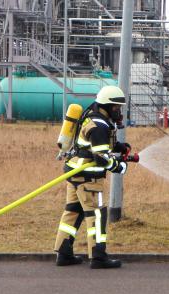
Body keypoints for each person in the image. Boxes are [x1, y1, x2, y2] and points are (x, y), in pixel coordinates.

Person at [52, 86, 133, 269]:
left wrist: (119, 147)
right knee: (96, 214)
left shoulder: (94, 118)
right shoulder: (99, 125)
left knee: (73, 211)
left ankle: (63, 254)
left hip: (75, 173)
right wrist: (119, 166)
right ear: (106, 106)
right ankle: (98, 257)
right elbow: (101, 157)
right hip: (89, 179)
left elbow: (97, 145)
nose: (118, 111)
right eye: (116, 107)